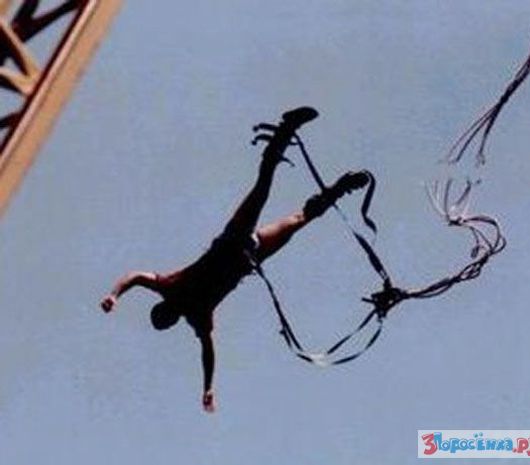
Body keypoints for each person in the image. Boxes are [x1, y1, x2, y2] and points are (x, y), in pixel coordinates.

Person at [100, 107, 370, 412]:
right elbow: (207, 352)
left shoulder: (172, 289)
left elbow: (136, 278)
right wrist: (208, 387)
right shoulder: (194, 313)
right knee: (297, 220)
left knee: (267, 195)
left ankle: (286, 130)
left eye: (167, 315)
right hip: (250, 252)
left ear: (166, 312)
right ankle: (338, 187)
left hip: (235, 241)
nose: (172, 314)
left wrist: (114, 294)